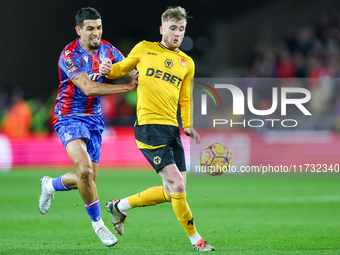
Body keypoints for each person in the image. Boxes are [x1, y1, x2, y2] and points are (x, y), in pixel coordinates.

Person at [99, 6, 215, 252]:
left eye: (181, 29)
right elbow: (120, 69)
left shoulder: (187, 63)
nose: (177, 34)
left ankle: (119, 207)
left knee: (172, 190)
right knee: (179, 187)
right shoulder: (144, 48)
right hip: (148, 127)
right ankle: (197, 240)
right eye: (173, 28)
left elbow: (186, 98)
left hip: (172, 129)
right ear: (162, 29)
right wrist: (107, 68)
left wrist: (188, 124)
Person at [38, 7, 138, 247]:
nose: (96, 33)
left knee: (89, 179)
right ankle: (98, 225)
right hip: (68, 116)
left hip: (94, 120)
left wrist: (116, 71)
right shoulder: (69, 54)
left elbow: (131, 73)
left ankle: (50, 185)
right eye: (91, 28)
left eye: (99, 27)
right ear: (79, 30)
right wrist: (125, 87)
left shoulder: (109, 50)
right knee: (84, 171)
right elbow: (89, 88)